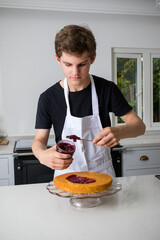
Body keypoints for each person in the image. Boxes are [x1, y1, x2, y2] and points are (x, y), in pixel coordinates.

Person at [32, 24, 146, 178]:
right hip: (66, 174)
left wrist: (120, 131)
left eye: (82, 64)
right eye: (68, 64)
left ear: (93, 58)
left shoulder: (107, 89)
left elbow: (139, 127)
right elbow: (39, 140)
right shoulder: (48, 98)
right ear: (58, 59)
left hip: (102, 173)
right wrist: (41, 155)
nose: (75, 72)